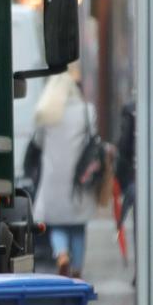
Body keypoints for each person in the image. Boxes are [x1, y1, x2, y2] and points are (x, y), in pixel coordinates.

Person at [32, 70, 98, 278]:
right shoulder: (87, 111)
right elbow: (93, 139)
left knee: (58, 223)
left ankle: (61, 255)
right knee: (78, 226)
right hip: (79, 179)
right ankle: (77, 268)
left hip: (53, 178)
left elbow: (38, 142)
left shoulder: (47, 112)